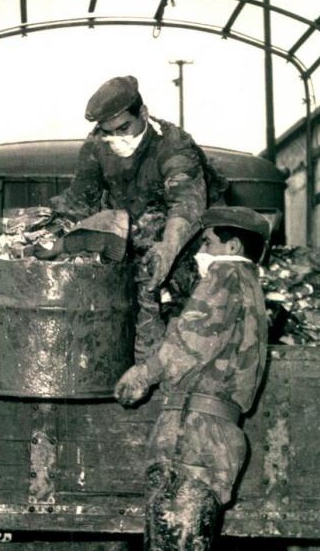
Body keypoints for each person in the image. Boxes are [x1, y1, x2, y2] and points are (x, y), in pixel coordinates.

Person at [113, 207, 271, 551]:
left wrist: (143, 374)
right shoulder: (242, 284)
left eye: (206, 237)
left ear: (229, 242)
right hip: (199, 438)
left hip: (197, 442)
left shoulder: (227, 276)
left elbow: (187, 344)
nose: (200, 245)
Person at [50, 75, 227, 361]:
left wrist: (168, 249)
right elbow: (80, 201)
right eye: (109, 132)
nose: (116, 139)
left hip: (191, 235)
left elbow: (186, 205)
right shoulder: (97, 145)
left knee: (185, 308)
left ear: (143, 114)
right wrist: (55, 238)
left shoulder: (174, 144)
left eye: (124, 128)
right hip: (135, 229)